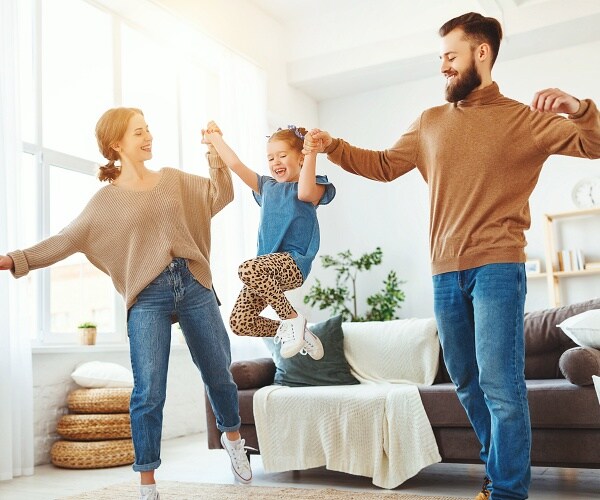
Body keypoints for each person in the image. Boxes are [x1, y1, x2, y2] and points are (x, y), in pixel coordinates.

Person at [303, 12, 600, 500]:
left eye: (450, 56)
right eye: (440, 57)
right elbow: (381, 166)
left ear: (481, 53)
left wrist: (577, 106)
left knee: (500, 384)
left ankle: (507, 491)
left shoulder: (525, 121)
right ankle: (498, 469)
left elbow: (592, 142)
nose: (442, 66)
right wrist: (332, 145)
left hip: (499, 267)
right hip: (445, 270)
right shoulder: (430, 123)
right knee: (465, 379)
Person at [0, 107, 253, 500]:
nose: (148, 136)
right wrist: (15, 259)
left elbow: (220, 194)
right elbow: (64, 240)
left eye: (148, 129)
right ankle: (148, 484)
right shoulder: (104, 203)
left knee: (218, 372)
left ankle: (233, 439)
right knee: (149, 391)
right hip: (147, 296)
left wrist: (214, 152)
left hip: (193, 282)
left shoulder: (173, 180)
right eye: (139, 132)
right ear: (116, 144)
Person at [202, 122, 336, 359]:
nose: (275, 162)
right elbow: (235, 164)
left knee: (246, 269)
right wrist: (215, 138)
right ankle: (296, 330)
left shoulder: (314, 187)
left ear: (301, 158)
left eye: (282, 156)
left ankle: (292, 319)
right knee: (240, 322)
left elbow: (304, 192)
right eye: (270, 158)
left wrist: (312, 151)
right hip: (264, 273)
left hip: (292, 265)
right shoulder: (266, 186)